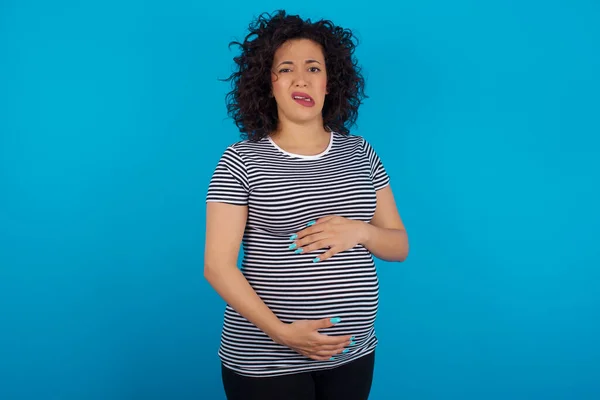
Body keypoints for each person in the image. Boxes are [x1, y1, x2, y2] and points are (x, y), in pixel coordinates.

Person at [204, 10, 409, 400]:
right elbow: (217, 266)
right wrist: (283, 333)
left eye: (313, 67)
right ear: (270, 83)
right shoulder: (241, 160)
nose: (301, 78)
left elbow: (399, 245)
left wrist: (361, 230)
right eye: (286, 69)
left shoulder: (361, 153)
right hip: (267, 361)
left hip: (352, 353)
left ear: (330, 83)